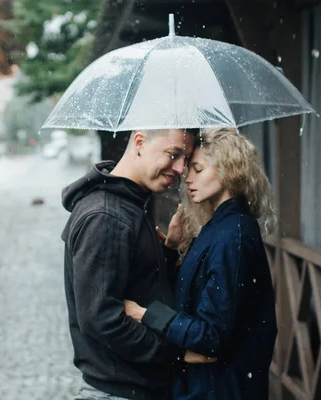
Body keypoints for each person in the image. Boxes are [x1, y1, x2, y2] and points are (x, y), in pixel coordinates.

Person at [124, 128, 278, 399]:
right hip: (205, 386)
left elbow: (210, 334)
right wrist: (172, 248)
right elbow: (189, 296)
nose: (187, 178)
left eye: (197, 169)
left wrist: (144, 314)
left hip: (221, 389)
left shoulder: (233, 235)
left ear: (230, 170)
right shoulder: (219, 227)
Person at [61, 128, 212, 400]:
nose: (180, 168)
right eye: (173, 154)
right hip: (120, 391)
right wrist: (175, 352)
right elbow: (102, 320)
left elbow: (137, 283)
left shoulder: (130, 204)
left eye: (186, 159)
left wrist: (169, 249)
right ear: (140, 142)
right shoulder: (107, 217)